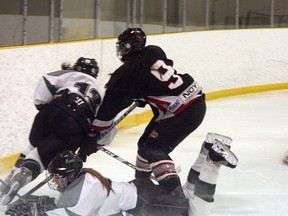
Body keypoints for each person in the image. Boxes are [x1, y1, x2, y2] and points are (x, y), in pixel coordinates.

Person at [82, 27, 207, 198]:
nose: (121, 51)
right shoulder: (154, 51)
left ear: (128, 47)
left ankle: (174, 194)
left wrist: (93, 135)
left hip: (183, 111)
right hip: (192, 100)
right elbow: (155, 79)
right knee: (144, 145)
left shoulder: (126, 74)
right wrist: (142, 93)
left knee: (153, 148)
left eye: (123, 46)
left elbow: (109, 109)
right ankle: (142, 184)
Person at [5, 135, 238, 216]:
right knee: (188, 196)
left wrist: (37, 209)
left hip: (146, 200)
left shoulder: (83, 190)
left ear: (70, 175)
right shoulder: (83, 179)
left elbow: (75, 212)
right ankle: (206, 149)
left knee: (198, 213)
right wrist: (39, 204)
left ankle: (212, 163)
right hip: (141, 193)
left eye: (57, 176)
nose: (54, 181)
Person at [0, 57, 116, 205]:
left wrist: (43, 106)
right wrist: (93, 142)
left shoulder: (68, 74)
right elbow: (107, 127)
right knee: (42, 157)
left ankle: (15, 174)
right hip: (75, 125)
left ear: (76, 68)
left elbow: (46, 81)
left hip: (52, 109)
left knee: (34, 147)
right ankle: (26, 173)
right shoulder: (101, 92)